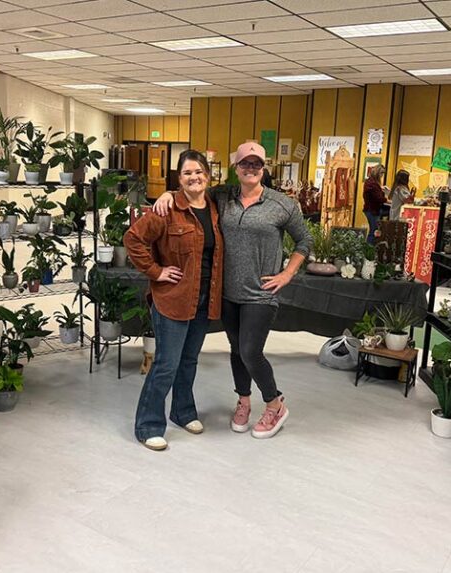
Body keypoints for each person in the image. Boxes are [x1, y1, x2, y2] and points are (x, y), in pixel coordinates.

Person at [154, 142, 312, 439]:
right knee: (237, 350)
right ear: (235, 168)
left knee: (250, 351)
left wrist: (287, 274)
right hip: (227, 293)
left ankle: (275, 404)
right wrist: (168, 194)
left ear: (264, 168)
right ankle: (243, 401)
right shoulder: (222, 196)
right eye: (245, 164)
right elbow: (192, 191)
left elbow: (304, 240)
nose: (251, 168)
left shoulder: (282, 204)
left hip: (260, 294)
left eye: (256, 164)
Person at [124, 150, 223, 451]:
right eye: (187, 173)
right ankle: (148, 425)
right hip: (173, 298)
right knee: (166, 364)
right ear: (179, 179)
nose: (194, 177)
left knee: (189, 360)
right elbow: (133, 239)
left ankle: (183, 412)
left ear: (208, 175)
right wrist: (156, 271)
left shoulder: (215, 207)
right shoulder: (167, 209)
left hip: (204, 297)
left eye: (199, 172)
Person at [363, 164, 387, 243]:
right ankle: (368, 248)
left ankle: (369, 247)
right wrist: (389, 201)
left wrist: (380, 188)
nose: (382, 176)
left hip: (371, 209)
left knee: (373, 230)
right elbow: (379, 198)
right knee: (373, 231)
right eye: (382, 173)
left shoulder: (370, 181)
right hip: (372, 210)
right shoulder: (373, 184)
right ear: (378, 173)